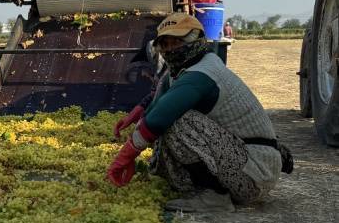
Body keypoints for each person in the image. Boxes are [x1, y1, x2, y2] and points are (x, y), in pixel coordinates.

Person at [108, 13, 290, 212]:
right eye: (166, 45)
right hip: (240, 162)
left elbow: (160, 117)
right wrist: (135, 117)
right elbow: (158, 101)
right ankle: (206, 188)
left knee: (176, 121)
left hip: (254, 174)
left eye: (177, 42)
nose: (170, 50)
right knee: (159, 142)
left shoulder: (203, 72)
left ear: (195, 40)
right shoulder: (183, 69)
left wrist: (125, 157)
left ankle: (215, 196)